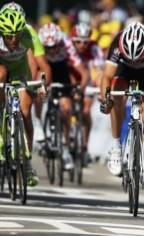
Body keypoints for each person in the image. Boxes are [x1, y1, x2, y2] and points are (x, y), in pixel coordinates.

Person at [99, 22, 144, 188]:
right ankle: (116, 147)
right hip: (124, 70)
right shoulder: (117, 43)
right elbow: (106, 77)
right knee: (116, 100)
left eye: (138, 56)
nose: (135, 60)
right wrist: (106, 99)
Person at [0, 8, 51, 187]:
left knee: (25, 112)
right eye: (8, 36)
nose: (14, 40)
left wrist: (41, 85)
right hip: (1, 70)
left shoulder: (29, 34)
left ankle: (28, 164)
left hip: (20, 72)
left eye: (17, 35)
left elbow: (39, 64)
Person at [38, 23, 89, 170]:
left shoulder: (67, 45)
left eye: (55, 46)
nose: (52, 50)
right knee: (37, 90)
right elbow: (34, 68)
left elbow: (84, 73)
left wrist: (79, 90)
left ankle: (65, 148)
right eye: (48, 48)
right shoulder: (38, 47)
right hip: (44, 67)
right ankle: (39, 124)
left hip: (61, 70)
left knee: (66, 109)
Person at [70, 22, 104, 163]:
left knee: (85, 111)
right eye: (78, 41)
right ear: (73, 41)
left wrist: (102, 90)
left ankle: (84, 145)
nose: (82, 45)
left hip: (88, 79)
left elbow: (100, 72)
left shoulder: (95, 48)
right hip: (71, 76)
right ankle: (68, 134)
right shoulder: (68, 48)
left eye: (85, 42)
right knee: (67, 106)